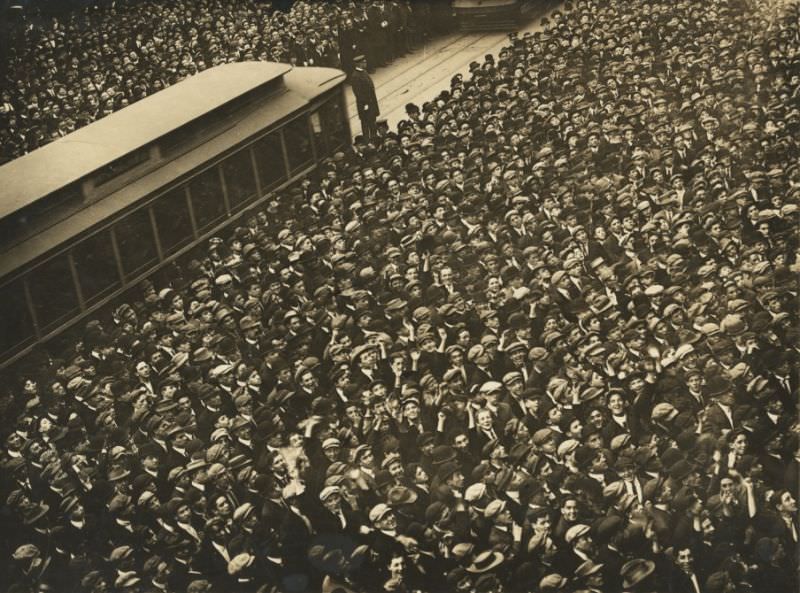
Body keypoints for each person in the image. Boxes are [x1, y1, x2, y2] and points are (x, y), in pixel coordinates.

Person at [350, 55, 380, 141]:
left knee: (372, 122)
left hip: (370, 103)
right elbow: (358, 93)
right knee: (367, 124)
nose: (365, 63)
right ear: (359, 64)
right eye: (364, 62)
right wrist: (365, 104)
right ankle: (368, 140)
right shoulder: (355, 76)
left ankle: (374, 139)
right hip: (365, 106)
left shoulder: (363, 72)